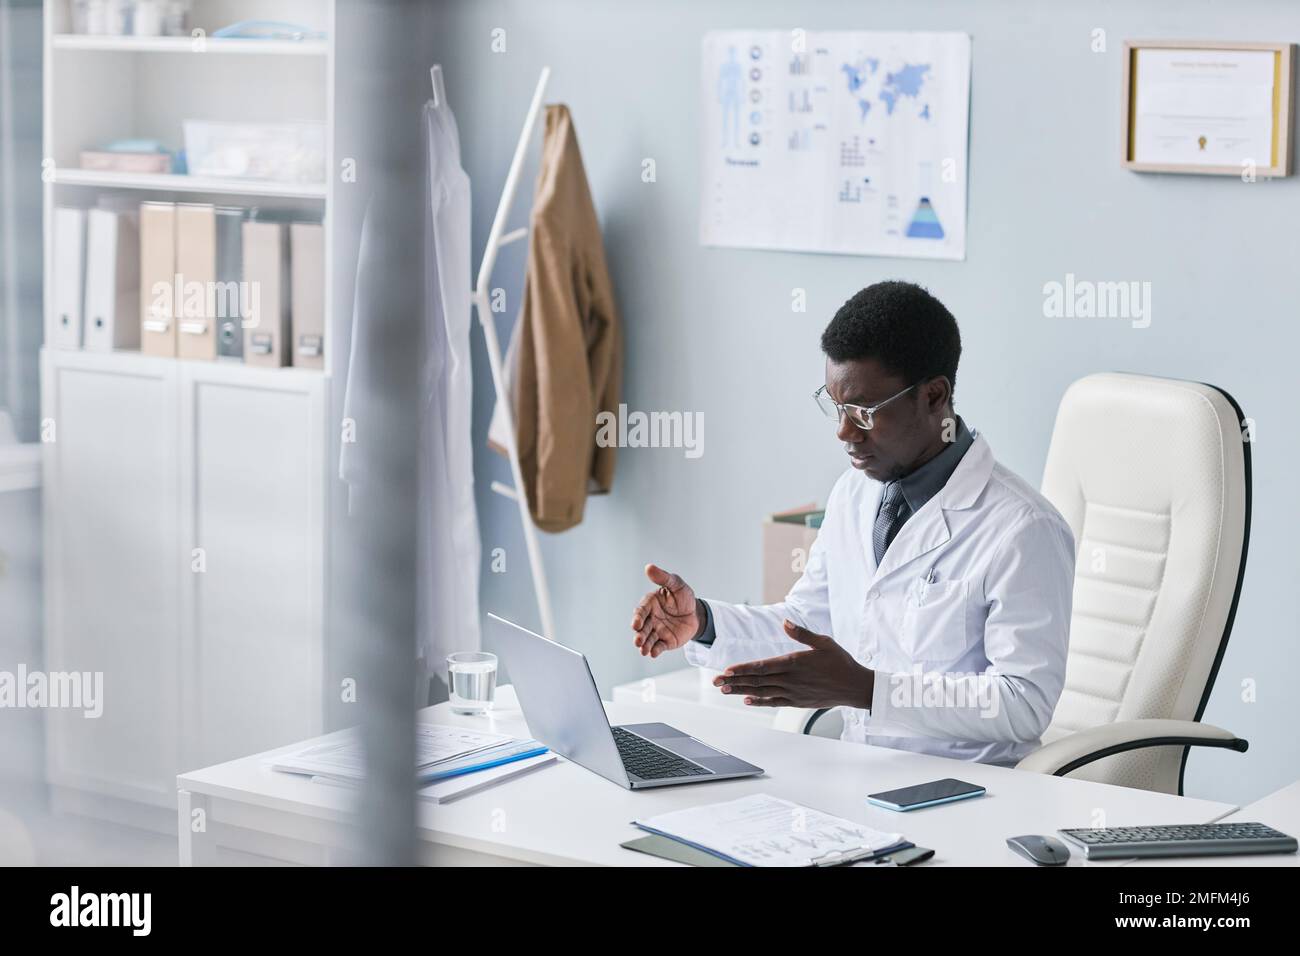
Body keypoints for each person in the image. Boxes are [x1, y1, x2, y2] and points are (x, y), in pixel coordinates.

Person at [629, 281, 1075, 765]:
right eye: (837, 407)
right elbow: (806, 623)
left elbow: (1024, 703)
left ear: (933, 396)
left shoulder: (1023, 529)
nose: (844, 432)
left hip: (974, 789)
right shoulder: (856, 493)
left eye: (863, 412)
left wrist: (868, 690)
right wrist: (704, 622)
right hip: (863, 774)